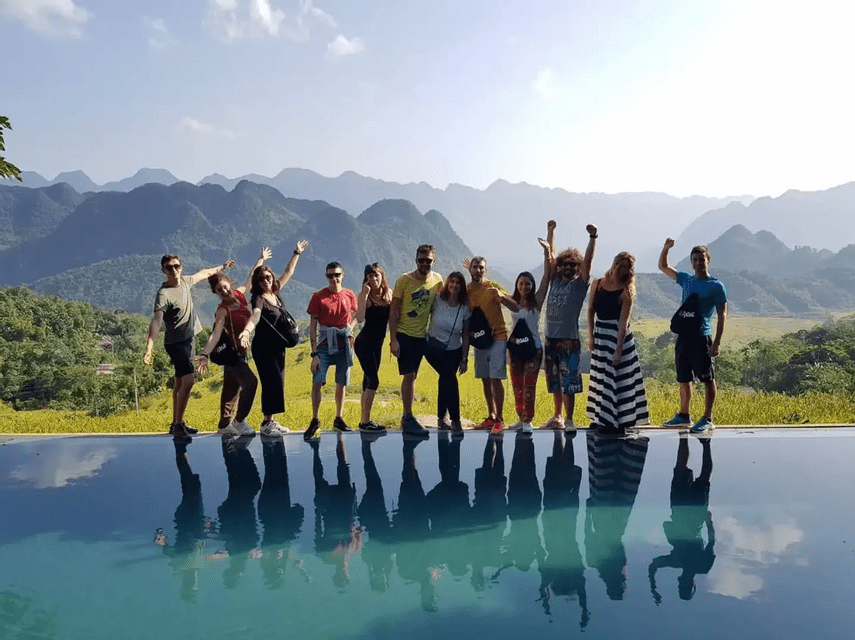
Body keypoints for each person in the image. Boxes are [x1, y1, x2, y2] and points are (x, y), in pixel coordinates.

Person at [144, 253, 235, 441]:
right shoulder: (164, 294)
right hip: (176, 343)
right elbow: (156, 321)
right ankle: (178, 425)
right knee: (189, 381)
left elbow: (205, 273)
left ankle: (177, 422)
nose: (174, 270)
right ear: (163, 271)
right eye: (169, 268)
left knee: (179, 382)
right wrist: (149, 348)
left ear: (181, 267)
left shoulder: (185, 282)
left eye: (177, 266)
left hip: (189, 339)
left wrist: (222, 266)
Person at [196, 247, 272, 438]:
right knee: (251, 383)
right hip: (231, 355)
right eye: (219, 290)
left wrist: (260, 259)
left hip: (241, 352)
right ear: (216, 293)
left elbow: (251, 277)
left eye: (225, 286)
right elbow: (215, 334)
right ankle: (239, 421)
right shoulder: (222, 310)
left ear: (229, 283)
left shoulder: (239, 295)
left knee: (232, 389)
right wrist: (204, 355)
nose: (224, 290)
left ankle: (224, 424)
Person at [237, 240, 308, 434]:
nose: (266, 280)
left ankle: (271, 421)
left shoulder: (275, 292)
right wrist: (246, 331)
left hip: (278, 348)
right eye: (262, 279)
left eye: (268, 277)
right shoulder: (258, 298)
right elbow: (256, 315)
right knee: (271, 382)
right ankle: (266, 424)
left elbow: (288, 272)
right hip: (263, 348)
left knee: (278, 383)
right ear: (257, 283)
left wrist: (297, 253)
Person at [658, 239, 727, 433]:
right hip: (683, 337)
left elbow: (722, 315)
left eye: (701, 259)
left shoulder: (716, 286)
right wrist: (666, 248)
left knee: (707, 378)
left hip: (702, 337)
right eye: (695, 259)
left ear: (708, 261)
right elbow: (663, 266)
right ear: (691, 261)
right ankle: (684, 415)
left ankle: (707, 417)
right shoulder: (686, 279)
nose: (698, 263)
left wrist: (717, 343)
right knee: (684, 378)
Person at [540, 220, 597, 432]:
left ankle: (570, 419)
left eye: (574, 265)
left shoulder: (579, 285)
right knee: (554, 382)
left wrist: (592, 239)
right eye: (566, 264)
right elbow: (551, 254)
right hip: (550, 339)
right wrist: (550, 232)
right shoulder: (555, 280)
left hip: (569, 341)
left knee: (569, 383)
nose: (569, 267)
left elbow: (589, 262)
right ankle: (557, 417)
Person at [586, 252, 650, 434]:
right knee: (601, 378)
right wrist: (591, 336)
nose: (620, 267)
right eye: (619, 263)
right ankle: (601, 418)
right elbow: (590, 310)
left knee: (620, 379)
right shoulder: (597, 284)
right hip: (600, 335)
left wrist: (618, 349)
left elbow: (624, 322)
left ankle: (621, 420)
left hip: (618, 337)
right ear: (613, 264)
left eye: (625, 266)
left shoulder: (626, 291)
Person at [389, 244, 443, 436]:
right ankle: (408, 416)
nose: (424, 263)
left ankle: (409, 416)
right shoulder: (404, 280)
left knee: (414, 376)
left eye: (428, 260)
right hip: (405, 334)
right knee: (409, 375)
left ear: (433, 261)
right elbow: (394, 310)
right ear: (416, 260)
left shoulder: (437, 280)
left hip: (423, 336)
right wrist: (393, 339)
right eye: (421, 260)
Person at [304, 261, 359, 439]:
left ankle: (339, 418)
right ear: (326, 277)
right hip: (325, 344)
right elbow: (313, 325)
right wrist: (314, 353)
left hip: (344, 342)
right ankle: (315, 419)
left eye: (337, 275)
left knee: (341, 382)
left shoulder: (349, 294)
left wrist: (350, 327)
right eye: (330, 276)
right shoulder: (318, 296)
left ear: (342, 275)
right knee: (317, 380)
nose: (334, 278)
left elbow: (356, 314)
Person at [467, 256, 519, 435]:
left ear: (485, 270)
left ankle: (500, 419)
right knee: (485, 378)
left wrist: (502, 297)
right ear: (470, 270)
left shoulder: (493, 287)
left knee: (496, 378)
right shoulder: (467, 291)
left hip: (498, 338)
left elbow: (516, 306)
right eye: (475, 267)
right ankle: (491, 415)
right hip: (480, 340)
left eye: (481, 268)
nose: (478, 270)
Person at [424, 271, 471, 431]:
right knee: (448, 378)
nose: (454, 285)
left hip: (453, 351)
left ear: (462, 287)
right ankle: (454, 419)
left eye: (458, 283)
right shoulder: (437, 300)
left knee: (446, 379)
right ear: (447, 283)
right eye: (452, 281)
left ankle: (443, 418)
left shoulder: (464, 308)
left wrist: (464, 358)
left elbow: (465, 335)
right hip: (433, 349)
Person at [507, 265, 549, 433]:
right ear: (517, 285)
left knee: (529, 385)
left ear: (532, 286)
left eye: (528, 284)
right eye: (521, 283)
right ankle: (520, 418)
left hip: (533, 349)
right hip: (516, 349)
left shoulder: (537, 301)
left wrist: (547, 254)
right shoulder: (513, 301)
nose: (524, 287)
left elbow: (546, 278)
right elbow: (496, 294)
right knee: (517, 386)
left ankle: (528, 421)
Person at [354, 263, 392, 433]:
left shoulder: (388, 294)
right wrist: (363, 295)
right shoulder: (365, 296)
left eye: (376, 275)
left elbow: (392, 319)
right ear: (366, 279)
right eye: (370, 276)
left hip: (378, 344)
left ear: (382, 276)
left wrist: (395, 340)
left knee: (367, 381)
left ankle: (364, 420)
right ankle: (365, 422)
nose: (374, 278)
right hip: (364, 344)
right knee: (374, 381)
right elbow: (360, 318)